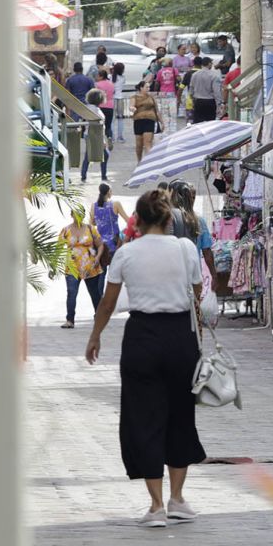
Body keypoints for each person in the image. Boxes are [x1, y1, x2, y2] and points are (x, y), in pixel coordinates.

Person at [86, 190, 206, 527]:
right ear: (169, 220)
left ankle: (156, 506)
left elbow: (107, 303)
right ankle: (178, 499)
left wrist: (95, 336)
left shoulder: (126, 254)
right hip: (181, 338)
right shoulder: (185, 249)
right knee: (181, 416)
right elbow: (197, 293)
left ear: (136, 220)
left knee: (145, 417)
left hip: (142, 338)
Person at [60, 210, 105, 329]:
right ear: (71, 215)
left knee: (95, 294)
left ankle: (99, 317)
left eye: (80, 214)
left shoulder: (91, 229)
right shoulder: (65, 230)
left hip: (90, 266)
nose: (78, 216)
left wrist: (98, 257)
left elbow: (100, 245)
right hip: (72, 268)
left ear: (83, 215)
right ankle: (70, 320)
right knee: (71, 293)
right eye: (75, 214)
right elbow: (58, 248)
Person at [90, 182, 130, 258]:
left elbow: (92, 224)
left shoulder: (93, 206)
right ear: (108, 192)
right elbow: (128, 220)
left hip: (100, 244)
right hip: (114, 243)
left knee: (102, 268)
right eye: (111, 191)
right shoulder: (115, 204)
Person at [81, 89, 109, 182]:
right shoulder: (96, 110)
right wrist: (103, 140)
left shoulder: (87, 108)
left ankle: (83, 175)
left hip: (88, 133)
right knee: (104, 154)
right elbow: (100, 126)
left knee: (88, 155)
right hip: (96, 134)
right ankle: (103, 176)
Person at [130, 81, 162, 162]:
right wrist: (132, 109)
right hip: (138, 121)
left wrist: (162, 122)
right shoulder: (134, 97)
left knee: (147, 142)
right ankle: (139, 161)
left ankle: (148, 162)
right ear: (141, 88)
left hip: (150, 120)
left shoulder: (151, 97)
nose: (148, 89)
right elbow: (131, 106)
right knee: (139, 144)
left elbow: (157, 111)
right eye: (146, 87)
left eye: (149, 87)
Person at [189, 56, 222, 124]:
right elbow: (217, 92)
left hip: (198, 101)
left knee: (197, 123)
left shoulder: (195, 75)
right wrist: (219, 104)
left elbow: (191, 90)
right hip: (210, 102)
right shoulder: (214, 75)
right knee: (209, 123)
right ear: (209, 64)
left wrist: (193, 100)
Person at [155, 57, 179, 133]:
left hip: (162, 93)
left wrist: (156, 92)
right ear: (170, 63)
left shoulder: (160, 71)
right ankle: (173, 131)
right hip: (172, 93)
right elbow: (179, 79)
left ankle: (165, 131)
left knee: (164, 113)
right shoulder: (174, 70)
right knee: (172, 114)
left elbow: (157, 83)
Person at [94, 69, 116, 142]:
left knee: (100, 125)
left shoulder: (97, 85)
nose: (96, 77)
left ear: (101, 76)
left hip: (100, 106)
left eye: (98, 76)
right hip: (110, 106)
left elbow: (95, 95)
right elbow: (113, 93)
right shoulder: (111, 84)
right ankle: (109, 137)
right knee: (108, 125)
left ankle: (101, 140)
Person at [111, 62, 127, 142]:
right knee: (120, 118)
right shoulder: (123, 77)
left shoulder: (110, 77)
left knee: (112, 119)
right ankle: (120, 136)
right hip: (120, 98)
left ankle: (112, 137)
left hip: (112, 98)